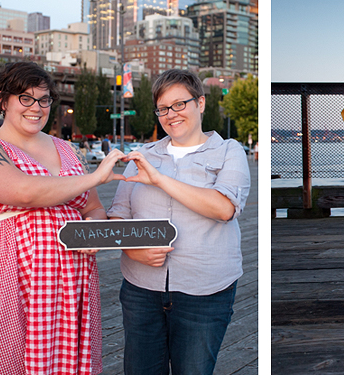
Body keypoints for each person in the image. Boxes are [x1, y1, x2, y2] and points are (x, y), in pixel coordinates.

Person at [0, 61, 126, 374]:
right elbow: (25, 192)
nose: (36, 107)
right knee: (4, 357)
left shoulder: (66, 149)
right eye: (25, 98)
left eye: (44, 99)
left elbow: (92, 207)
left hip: (71, 278)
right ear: (3, 100)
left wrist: (92, 231)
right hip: (10, 274)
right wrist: (96, 176)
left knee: (66, 359)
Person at [107, 69, 251, 374]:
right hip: (140, 289)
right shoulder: (142, 156)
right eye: (163, 108)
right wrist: (134, 250)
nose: (171, 114)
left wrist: (158, 179)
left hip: (205, 292)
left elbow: (223, 208)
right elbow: (117, 217)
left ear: (200, 103)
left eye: (179, 104)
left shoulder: (229, 151)